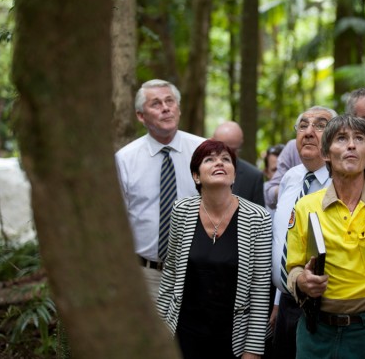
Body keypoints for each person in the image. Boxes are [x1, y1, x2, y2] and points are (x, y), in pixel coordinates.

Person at [156, 140, 271, 359]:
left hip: (232, 338)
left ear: (234, 174)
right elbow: (170, 274)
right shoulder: (181, 210)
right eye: (209, 159)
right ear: (196, 176)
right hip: (184, 334)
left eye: (225, 159)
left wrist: (253, 350)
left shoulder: (258, 218)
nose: (219, 163)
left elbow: (259, 288)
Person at [284, 115, 365, 359]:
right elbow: (293, 268)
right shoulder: (306, 206)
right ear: (326, 154)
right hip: (316, 332)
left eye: (358, 139)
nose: (351, 145)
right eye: (342, 138)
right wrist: (302, 281)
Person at [115, 79, 206, 301]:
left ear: (179, 108)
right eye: (156, 104)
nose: (165, 108)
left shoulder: (205, 152)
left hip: (199, 271)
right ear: (140, 116)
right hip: (146, 275)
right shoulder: (124, 159)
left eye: (170, 101)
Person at [271, 106, 337, 359]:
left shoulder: (342, 184)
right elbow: (286, 243)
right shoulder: (290, 178)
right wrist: (279, 298)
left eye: (320, 125)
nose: (309, 132)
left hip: (322, 307)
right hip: (287, 303)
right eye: (303, 125)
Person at [213, 121, 265, 207]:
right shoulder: (198, 168)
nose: (227, 155)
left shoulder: (253, 177)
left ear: (240, 144)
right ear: (211, 141)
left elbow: (259, 217)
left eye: (233, 150)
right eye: (222, 148)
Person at [263, 139, 302, 211]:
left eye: (286, 168)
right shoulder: (261, 191)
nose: (283, 175)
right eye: (275, 170)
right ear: (266, 172)